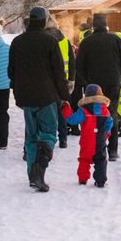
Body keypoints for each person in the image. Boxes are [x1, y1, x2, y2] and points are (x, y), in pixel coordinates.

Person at [8, 6, 69, 193]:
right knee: (49, 133)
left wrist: (18, 93)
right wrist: (64, 96)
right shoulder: (50, 41)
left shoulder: (17, 42)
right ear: (43, 22)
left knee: (31, 136)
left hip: (26, 97)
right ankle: (39, 170)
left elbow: (11, 72)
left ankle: (32, 176)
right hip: (47, 96)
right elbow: (59, 72)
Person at [76, 13, 121, 161]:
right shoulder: (116, 40)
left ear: (93, 26)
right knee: (111, 114)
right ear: (106, 25)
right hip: (113, 83)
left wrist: (86, 82)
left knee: (93, 116)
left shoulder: (86, 42)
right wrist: (119, 75)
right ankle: (112, 150)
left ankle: (95, 148)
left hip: (93, 86)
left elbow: (78, 66)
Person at [61, 84, 113, 187]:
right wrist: (106, 133)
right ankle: (100, 180)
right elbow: (109, 123)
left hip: (87, 141)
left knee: (84, 159)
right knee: (101, 160)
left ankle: (83, 179)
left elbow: (72, 120)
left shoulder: (84, 110)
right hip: (100, 141)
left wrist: (65, 108)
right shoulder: (105, 110)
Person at [45, 16, 76, 148]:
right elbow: (72, 62)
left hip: (47, 80)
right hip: (63, 81)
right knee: (62, 109)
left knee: (48, 111)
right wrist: (72, 80)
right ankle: (63, 139)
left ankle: (49, 139)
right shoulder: (65, 41)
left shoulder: (44, 40)